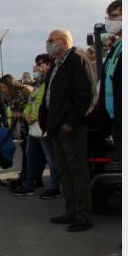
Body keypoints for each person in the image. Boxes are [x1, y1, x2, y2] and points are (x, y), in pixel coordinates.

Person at [40, 29, 96, 232]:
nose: (48, 44)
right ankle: (70, 211)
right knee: (64, 170)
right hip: (56, 127)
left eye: (51, 40)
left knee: (77, 170)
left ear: (63, 42)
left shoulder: (77, 60)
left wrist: (71, 122)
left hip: (71, 127)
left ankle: (83, 216)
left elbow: (86, 94)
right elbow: (49, 95)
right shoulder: (56, 64)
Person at [13, 54, 61, 198]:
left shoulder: (51, 82)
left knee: (51, 158)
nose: (37, 68)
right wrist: (26, 114)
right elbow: (31, 102)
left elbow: (43, 103)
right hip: (33, 127)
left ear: (49, 64)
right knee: (30, 157)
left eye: (40, 64)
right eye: (36, 66)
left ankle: (55, 187)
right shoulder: (38, 84)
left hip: (43, 125)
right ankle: (29, 185)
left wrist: (33, 116)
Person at [98, 0, 122, 161]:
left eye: (114, 16)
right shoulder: (117, 47)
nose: (109, 21)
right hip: (115, 119)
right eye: (108, 17)